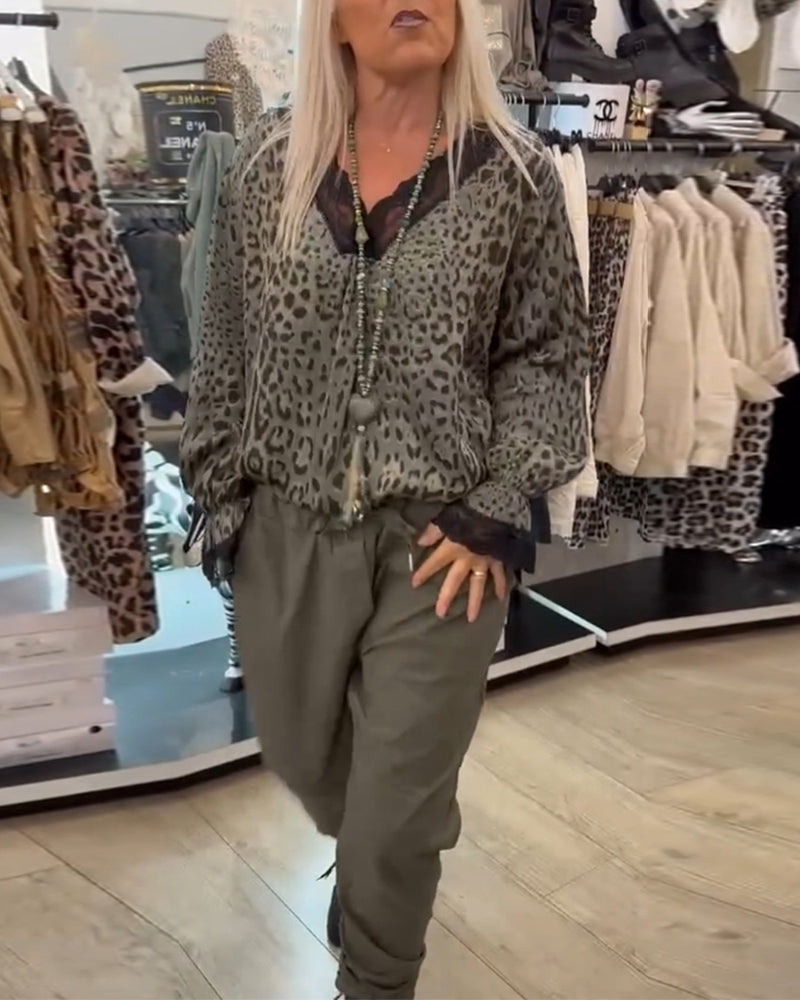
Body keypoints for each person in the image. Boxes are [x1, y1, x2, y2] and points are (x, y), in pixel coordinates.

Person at [180, 0, 589, 996]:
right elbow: (225, 342)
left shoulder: (514, 174)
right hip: (286, 519)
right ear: (333, 21)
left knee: (399, 805)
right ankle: (370, 860)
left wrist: (498, 502)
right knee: (302, 754)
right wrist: (221, 497)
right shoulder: (268, 163)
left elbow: (545, 356)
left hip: (444, 535)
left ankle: (375, 964)